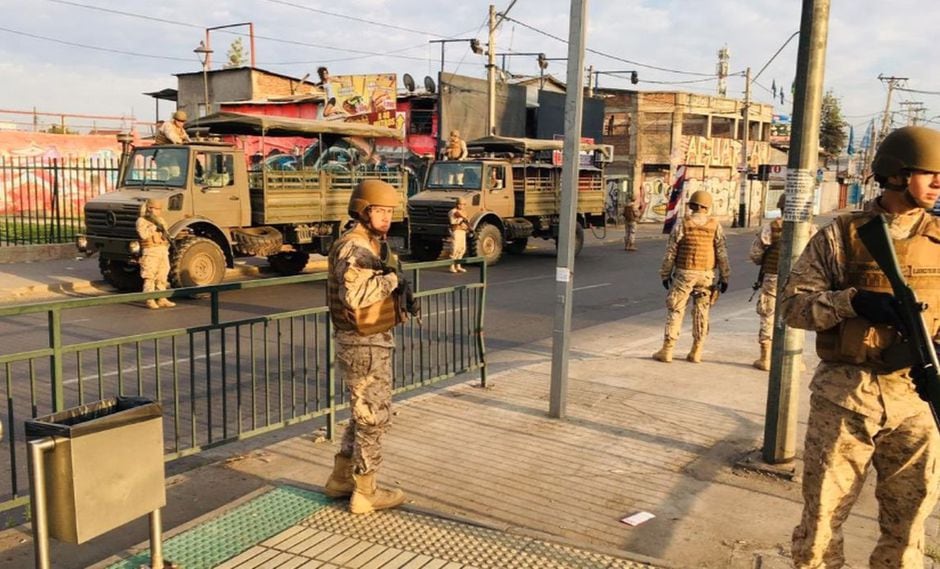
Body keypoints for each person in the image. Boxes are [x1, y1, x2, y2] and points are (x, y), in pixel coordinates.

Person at [783, 125, 940, 568]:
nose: (937, 183)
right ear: (895, 175)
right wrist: (851, 301)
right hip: (845, 400)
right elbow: (793, 308)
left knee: (908, 530)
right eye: (928, 173)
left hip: (916, 402)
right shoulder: (841, 237)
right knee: (822, 524)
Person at [323, 179, 418, 515]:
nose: (386, 217)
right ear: (363, 211)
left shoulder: (370, 243)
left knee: (360, 415)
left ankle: (341, 479)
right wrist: (393, 279)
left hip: (367, 341)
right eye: (380, 211)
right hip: (363, 344)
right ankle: (366, 492)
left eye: (390, 211)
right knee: (373, 418)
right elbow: (356, 295)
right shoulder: (354, 247)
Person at [653, 190, 730, 363]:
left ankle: (667, 349)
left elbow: (671, 251)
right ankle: (696, 350)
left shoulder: (683, 224)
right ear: (707, 207)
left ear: (692, 206)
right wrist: (725, 277)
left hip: (684, 273)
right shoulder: (715, 225)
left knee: (676, 309)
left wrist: (665, 274)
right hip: (706, 275)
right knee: (701, 312)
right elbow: (722, 253)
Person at [136, 199, 175, 309]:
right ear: (149, 208)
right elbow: (143, 235)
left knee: (163, 274)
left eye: (159, 209)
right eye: (156, 209)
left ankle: (162, 298)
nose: (158, 211)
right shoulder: (142, 220)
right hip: (150, 251)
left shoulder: (161, 220)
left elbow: (165, 235)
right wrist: (153, 227)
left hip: (162, 250)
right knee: (149, 275)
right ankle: (149, 298)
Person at [448, 197, 470, 273]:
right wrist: (463, 218)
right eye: (461, 204)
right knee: (454, 249)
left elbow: (466, 219)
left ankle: (458, 265)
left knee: (462, 249)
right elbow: (458, 215)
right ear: (457, 204)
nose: (462, 206)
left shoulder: (464, 211)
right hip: (456, 231)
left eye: (464, 204)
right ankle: (451, 266)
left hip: (462, 231)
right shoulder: (453, 211)